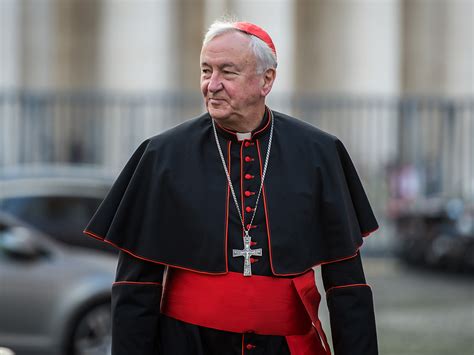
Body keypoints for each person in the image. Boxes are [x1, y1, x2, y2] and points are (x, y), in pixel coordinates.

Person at [84, 20, 379, 355]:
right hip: (187, 345)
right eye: (206, 70)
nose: (212, 84)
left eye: (227, 72)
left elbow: (348, 286)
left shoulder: (319, 154)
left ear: (266, 80)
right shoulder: (162, 156)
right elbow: (135, 286)